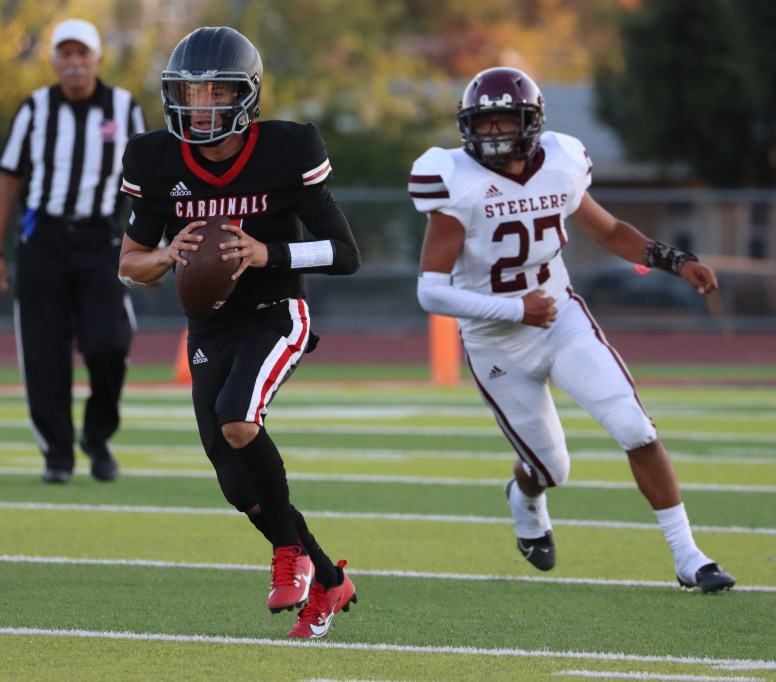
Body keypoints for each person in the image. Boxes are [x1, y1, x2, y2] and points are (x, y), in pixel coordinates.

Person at [408, 66, 735, 593]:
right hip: (496, 341)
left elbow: (610, 231)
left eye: (504, 120)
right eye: (484, 123)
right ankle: (524, 497)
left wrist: (678, 261)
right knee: (551, 470)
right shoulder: (454, 179)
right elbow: (430, 292)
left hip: (561, 320)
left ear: (530, 123)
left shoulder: (560, 162)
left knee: (636, 428)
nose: (493, 133)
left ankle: (688, 556)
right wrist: (515, 310)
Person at [118, 27, 361, 637]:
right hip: (209, 326)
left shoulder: (287, 150)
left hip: (277, 311)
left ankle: (291, 553)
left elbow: (345, 253)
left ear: (245, 95)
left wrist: (266, 253)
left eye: (216, 92)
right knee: (234, 482)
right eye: (190, 93)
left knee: (237, 418)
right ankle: (328, 580)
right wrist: (167, 254)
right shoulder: (154, 160)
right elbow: (129, 265)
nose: (201, 106)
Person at [0, 18, 146, 485]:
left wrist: (149, 245)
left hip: (102, 241)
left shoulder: (124, 108)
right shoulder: (34, 108)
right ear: (54, 61)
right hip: (45, 244)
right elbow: (8, 181)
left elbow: (148, 183)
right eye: (66, 54)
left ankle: (97, 435)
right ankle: (57, 453)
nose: (74, 63)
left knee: (109, 343)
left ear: (97, 59)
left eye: (82, 54)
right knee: (44, 355)